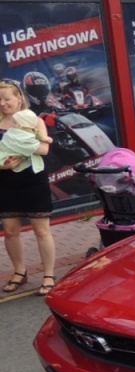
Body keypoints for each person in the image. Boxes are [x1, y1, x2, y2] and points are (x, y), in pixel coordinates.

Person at [0, 80, 55, 296]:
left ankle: (49, 274)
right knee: (11, 231)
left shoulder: (33, 120)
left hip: (33, 179)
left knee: (41, 230)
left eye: (7, 99)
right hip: (5, 181)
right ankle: (19, 272)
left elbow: (43, 149)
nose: (3, 104)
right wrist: (2, 165)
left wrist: (21, 151)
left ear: (19, 98)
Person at [0, 109, 52, 173]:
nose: (2, 103)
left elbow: (43, 149)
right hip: (7, 162)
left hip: (30, 174)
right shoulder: (14, 134)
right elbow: (34, 146)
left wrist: (45, 139)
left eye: (15, 122)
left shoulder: (32, 129)